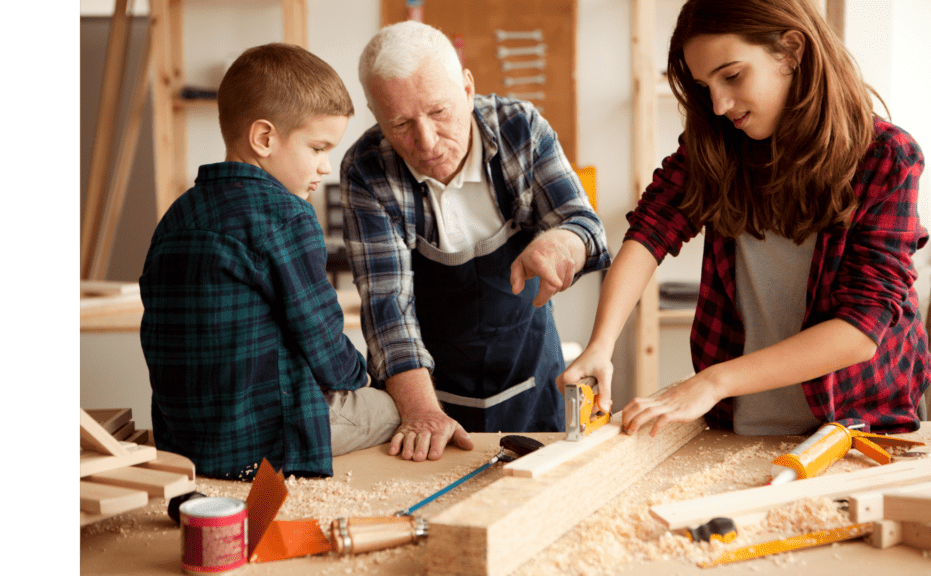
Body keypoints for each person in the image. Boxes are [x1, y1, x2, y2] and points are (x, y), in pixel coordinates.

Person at [559, 0, 931, 439]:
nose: (719, 105)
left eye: (732, 75)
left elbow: (861, 328)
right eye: (705, 86)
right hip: (741, 422)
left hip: (857, 425)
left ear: (792, 51)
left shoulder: (887, 158)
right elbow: (650, 230)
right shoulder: (718, 146)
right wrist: (601, 345)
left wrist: (712, 381)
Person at [339, 21, 611, 462]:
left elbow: (586, 227)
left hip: (530, 379)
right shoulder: (367, 170)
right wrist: (423, 413)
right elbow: (387, 305)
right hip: (430, 395)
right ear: (376, 115)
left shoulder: (518, 129)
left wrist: (563, 242)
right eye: (402, 123)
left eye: (440, 113)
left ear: (467, 89)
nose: (425, 142)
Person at [139, 43, 400, 480]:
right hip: (267, 440)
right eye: (318, 148)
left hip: (185, 440)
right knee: (395, 410)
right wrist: (365, 377)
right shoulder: (285, 215)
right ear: (264, 139)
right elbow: (322, 338)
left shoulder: (179, 214)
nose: (326, 166)